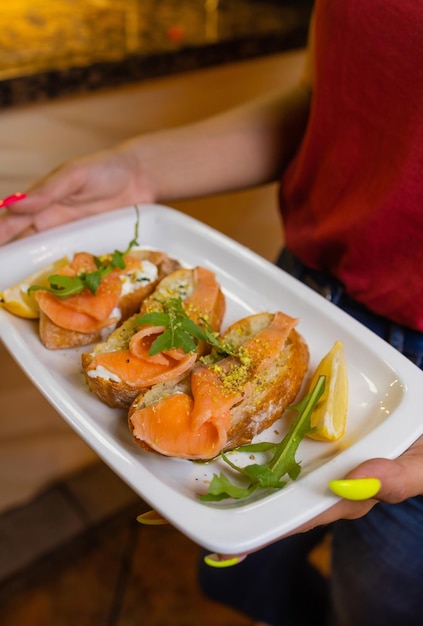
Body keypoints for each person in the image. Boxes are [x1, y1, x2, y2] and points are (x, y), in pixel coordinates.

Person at [1, 1, 423, 624]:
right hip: (306, 287)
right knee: (237, 579)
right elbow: (326, 106)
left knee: (374, 605)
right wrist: (139, 170)